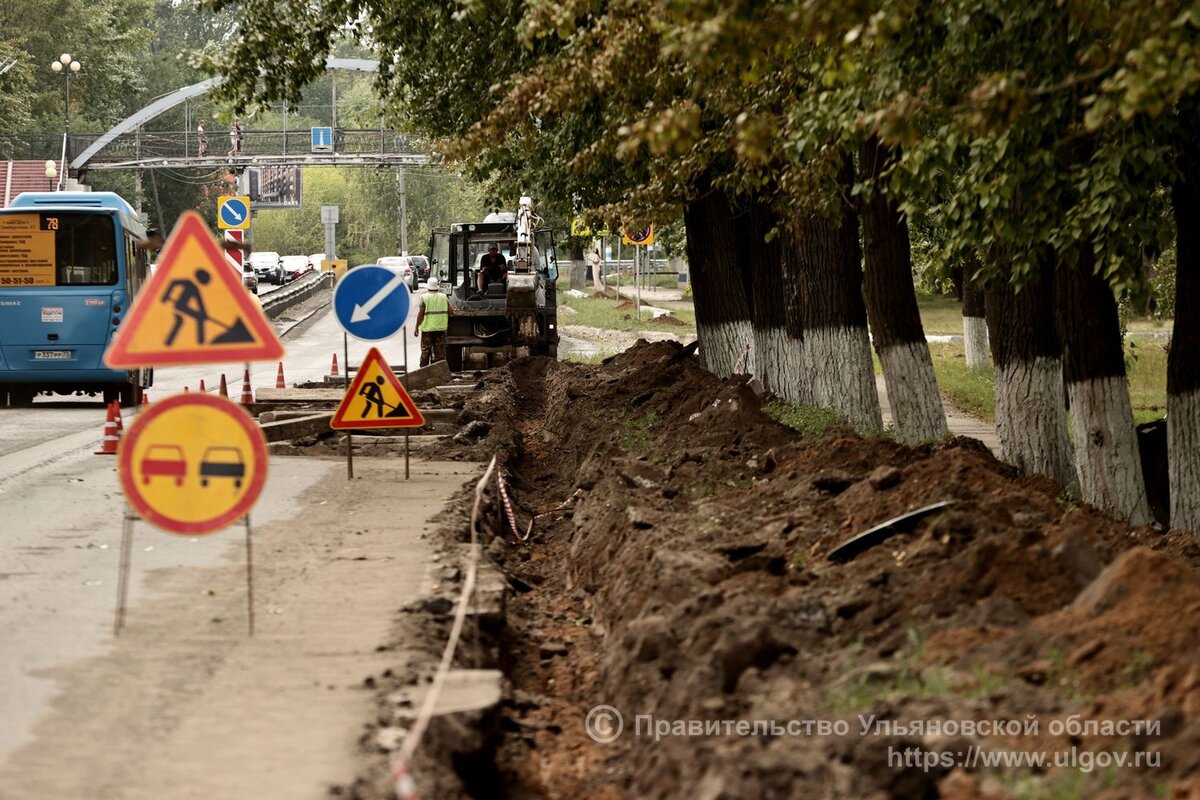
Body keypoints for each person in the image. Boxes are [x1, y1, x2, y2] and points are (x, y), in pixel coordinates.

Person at [414, 277, 449, 366]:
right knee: (439, 352)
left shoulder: (424, 297)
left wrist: (416, 327)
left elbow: (420, 314)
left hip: (427, 330)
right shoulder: (443, 297)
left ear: (428, 287)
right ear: (437, 287)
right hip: (440, 329)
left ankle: (424, 371)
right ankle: (440, 371)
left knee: (426, 350)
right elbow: (451, 311)